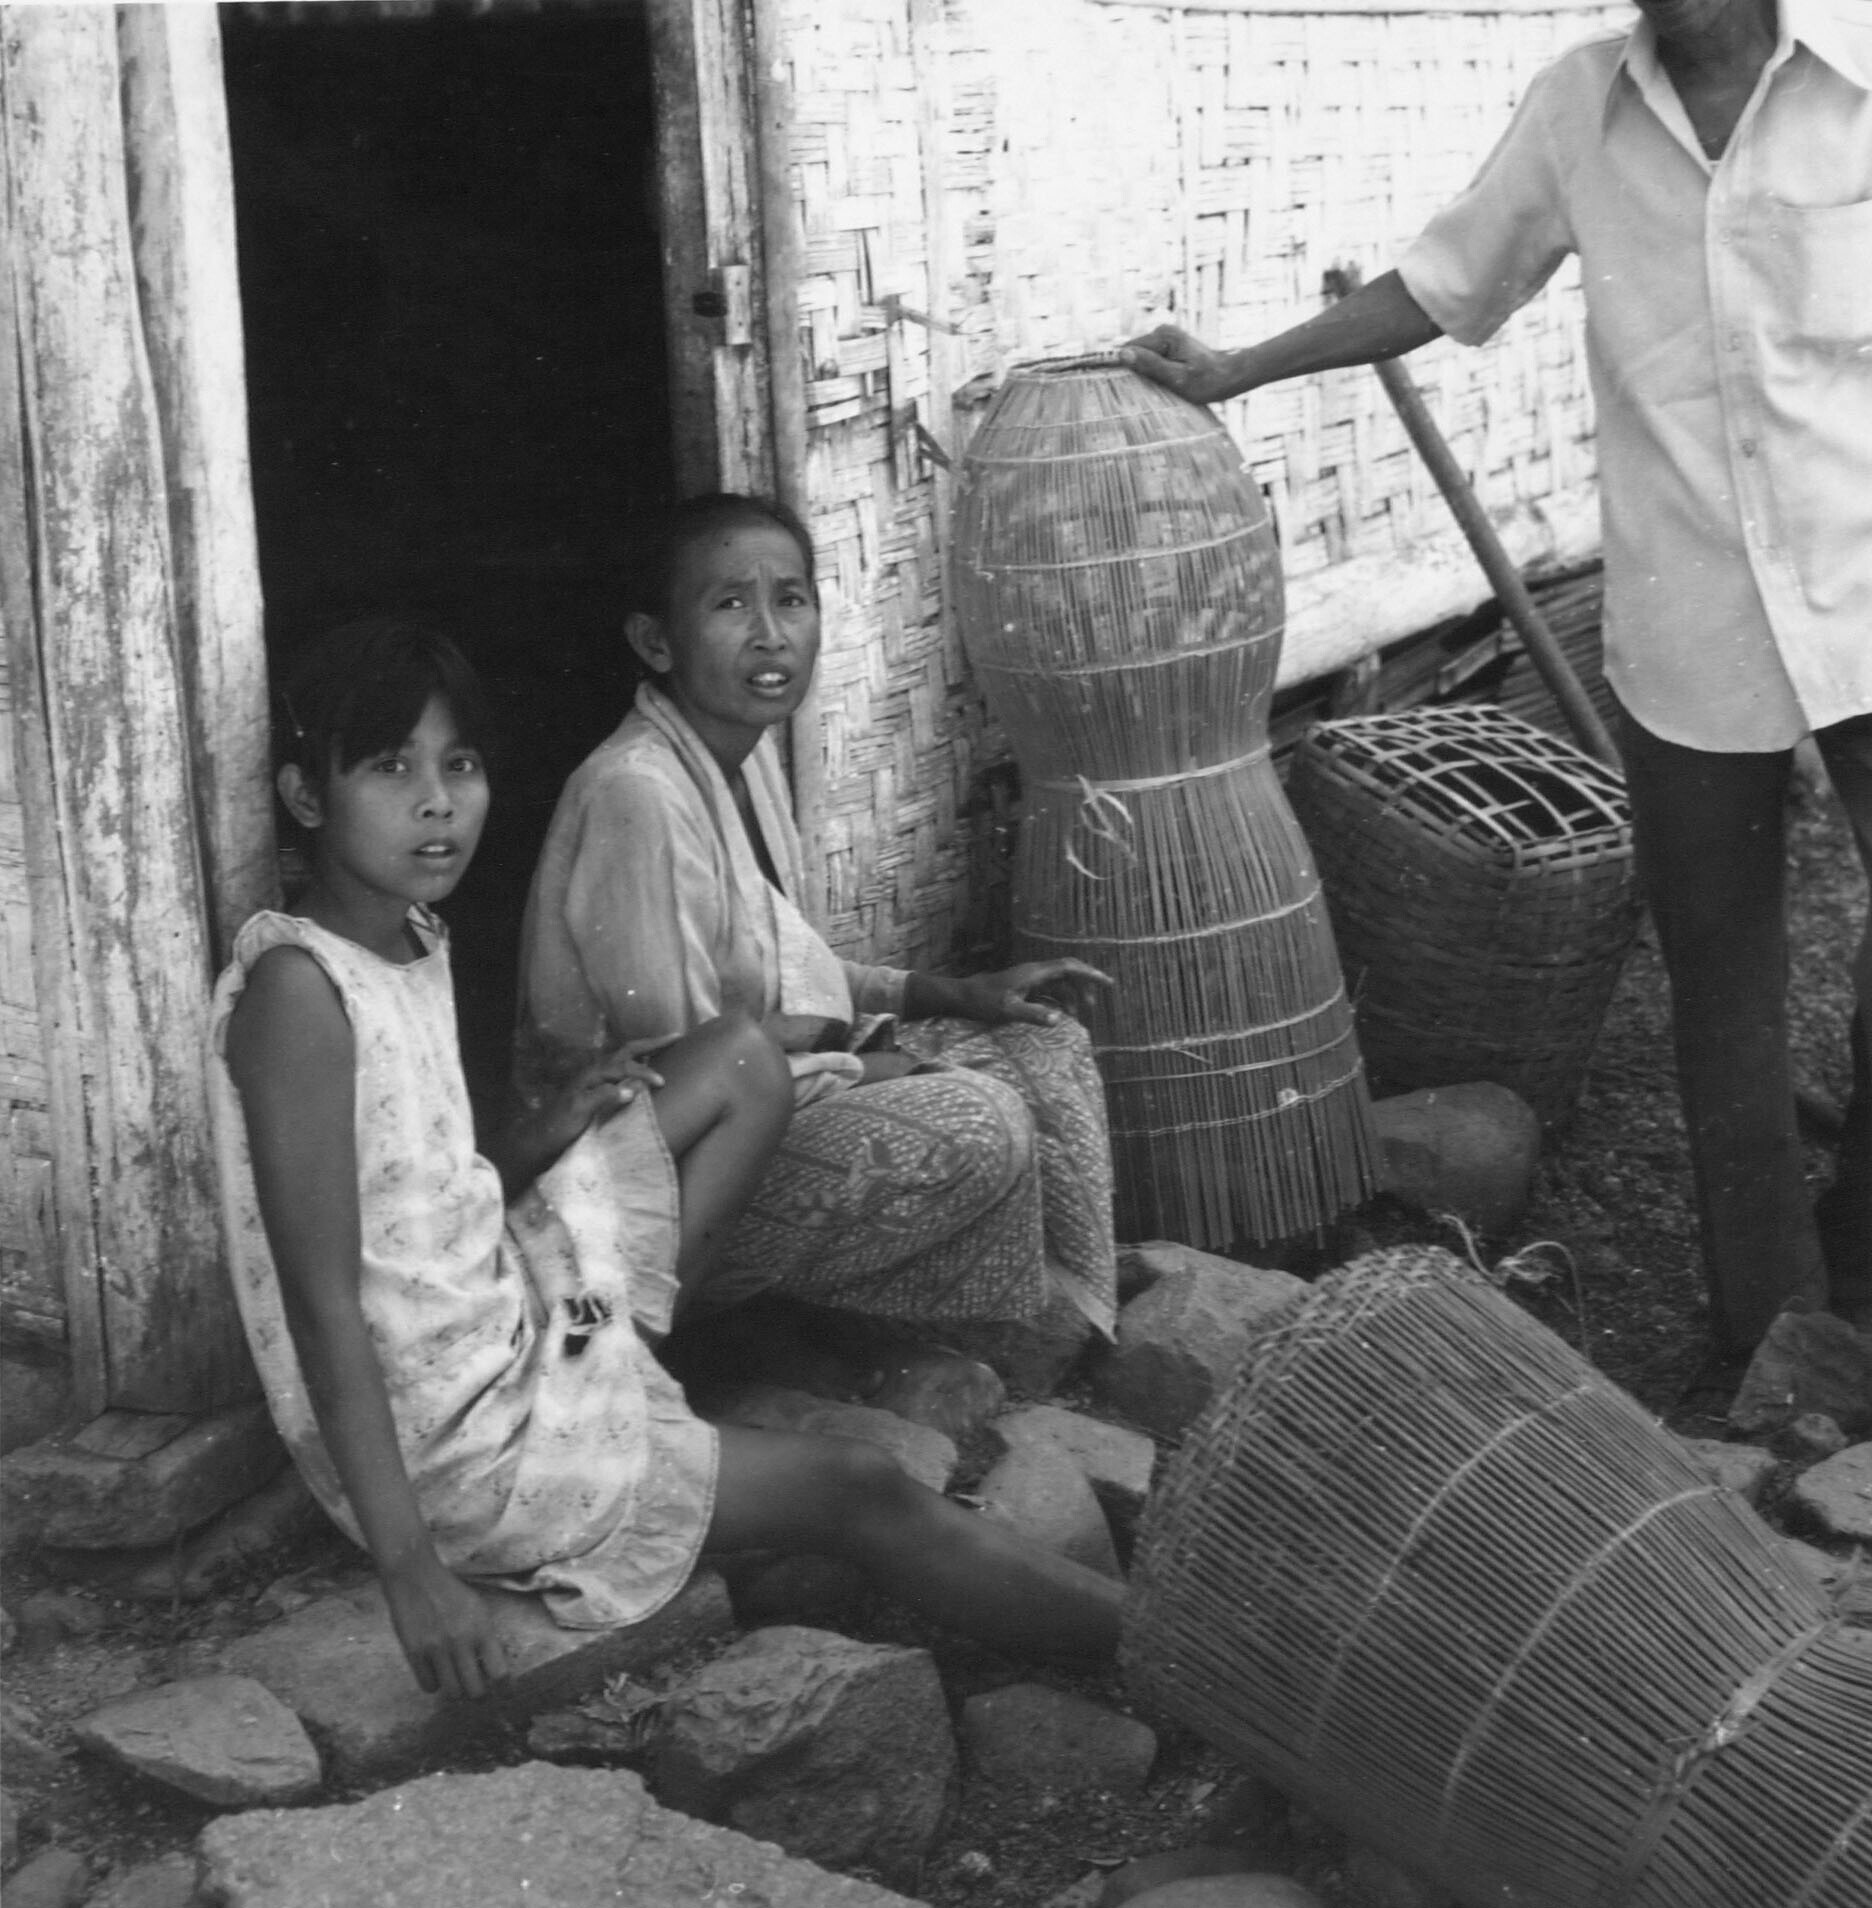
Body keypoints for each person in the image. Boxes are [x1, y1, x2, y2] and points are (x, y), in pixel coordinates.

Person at [1123, 0, 1872, 1360]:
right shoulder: (1579, 109)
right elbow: (1441, 283)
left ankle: (1867, 1257)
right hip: (1691, 616)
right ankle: (1773, 1335)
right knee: (1722, 989)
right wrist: (1238, 371)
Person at [207, 617, 1122, 1700]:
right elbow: (321, 1302)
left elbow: (411, 1202)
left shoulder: (410, 937)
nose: (438, 801)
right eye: (391, 768)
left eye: (460, 764)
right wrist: (410, 1570)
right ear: (307, 797)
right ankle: (1175, 1647)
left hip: (508, 1325)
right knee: (855, 1486)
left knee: (736, 1060)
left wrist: (539, 1135)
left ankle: (624, 1362)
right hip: (461, 1445)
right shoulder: (299, 995)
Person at [517, 494, 1120, 1339]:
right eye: (731, 604)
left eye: (791, 599)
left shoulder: (746, 758)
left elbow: (782, 970)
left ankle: (1050, 1324)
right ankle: (723, 1327)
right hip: (649, 1172)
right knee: (976, 1121)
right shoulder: (637, 794)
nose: (771, 634)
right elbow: (682, 1069)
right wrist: (873, 1069)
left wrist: (958, 994)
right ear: (656, 642)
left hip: (758, 1098)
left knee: (1045, 1047)